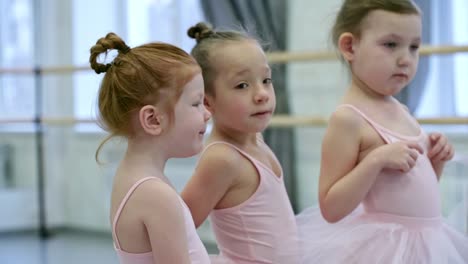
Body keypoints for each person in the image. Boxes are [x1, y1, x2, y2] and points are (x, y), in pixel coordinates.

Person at [297, 0, 468, 263]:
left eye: (414, 47)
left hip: (427, 242)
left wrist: (436, 161)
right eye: (390, 44)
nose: (405, 59)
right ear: (349, 46)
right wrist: (375, 160)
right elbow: (331, 208)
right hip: (385, 249)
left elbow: (414, 193)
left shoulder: (401, 110)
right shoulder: (348, 119)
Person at [181, 23, 299, 264]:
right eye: (242, 85)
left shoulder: (256, 138)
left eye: (266, 80)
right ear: (207, 102)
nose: (262, 94)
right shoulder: (223, 158)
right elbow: (178, 226)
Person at [90, 32, 211, 264]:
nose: (207, 113)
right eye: (196, 103)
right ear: (154, 120)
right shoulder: (155, 195)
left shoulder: (134, 177)